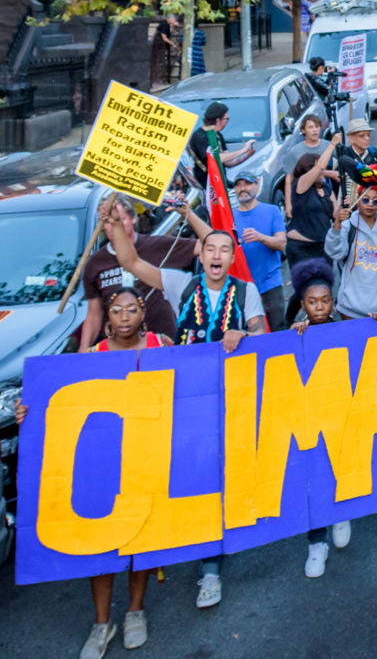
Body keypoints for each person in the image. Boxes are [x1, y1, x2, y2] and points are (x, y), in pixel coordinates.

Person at [103, 210, 266, 608]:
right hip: (183, 399)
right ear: (201, 254)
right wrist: (113, 228)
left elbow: (263, 333)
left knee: (215, 480)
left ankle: (210, 570)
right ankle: (177, 541)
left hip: (226, 399)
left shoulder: (246, 292)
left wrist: (244, 332)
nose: (216, 255)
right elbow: (130, 263)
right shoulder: (180, 284)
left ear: (231, 259)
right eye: (210, 247)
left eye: (224, 250)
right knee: (184, 475)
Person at [14, 287, 168, 659]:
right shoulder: (89, 357)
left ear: (142, 312)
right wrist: (28, 412)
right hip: (102, 465)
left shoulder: (163, 346)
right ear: (108, 317)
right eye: (117, 311)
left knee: (139, 541)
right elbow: (57, 400)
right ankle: (102, 623)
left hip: (148, 458)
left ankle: (135, 611)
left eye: (132, 309)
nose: (125, 317)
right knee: (100, 545)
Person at [287, 259, 354, 577]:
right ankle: (316, 542)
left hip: (339, 413)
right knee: (312, 479)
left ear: (333, 301)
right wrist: (292, 338)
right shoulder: (293, 330)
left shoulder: (343, 325)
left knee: (338, 468)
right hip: (307, 419)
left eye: (325, 301)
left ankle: (342, 514)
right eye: (312, 302)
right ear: (302, 304)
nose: (319, 307)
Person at [80, 197, 193, 350]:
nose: (113, 225)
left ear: (133, 219)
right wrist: (82, 352)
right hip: (119, 351)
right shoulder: (95, 263)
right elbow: (94, 314)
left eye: (120, 219)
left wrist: (189, 214)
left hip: (161, 347)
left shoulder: (158, 246)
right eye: (108, 221)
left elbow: (208, 247)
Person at [324, 186, 377, 322]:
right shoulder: (347, 226)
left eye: (375, 201)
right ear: (357, 201)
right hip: (350, 308)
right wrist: (337, 224)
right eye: (365, 200)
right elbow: (334, 252)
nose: (370, 204)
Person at [230, 173, 288, 330]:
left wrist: (260, 237)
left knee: (277, 329)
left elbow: (282, 243)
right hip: (241, 285)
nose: (243, 188)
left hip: (270, 283)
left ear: (257, 185)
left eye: (247, 184)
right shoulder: (229, 217)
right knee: (247, 333)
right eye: (238, 185)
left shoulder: (272, 211)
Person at [287, 137, 340, 270]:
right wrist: (333, 143)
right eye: (317, 168)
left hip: (323, 247)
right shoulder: (301, 185)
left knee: (324, 287)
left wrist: (348, 203)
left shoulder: (326, 188)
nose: (322, 170)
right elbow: (320, 167)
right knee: (307, 288)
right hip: (302, 249)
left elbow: (336, 214)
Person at [188, 101, 254, 188]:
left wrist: (246, 155)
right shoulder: (199, 137)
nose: (227, 122)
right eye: (226, 119)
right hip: (206, 185)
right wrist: (242, 150)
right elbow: (215, 158)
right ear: (218, 120)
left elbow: (227, 162)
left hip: (221, 182)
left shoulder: (218, 135)